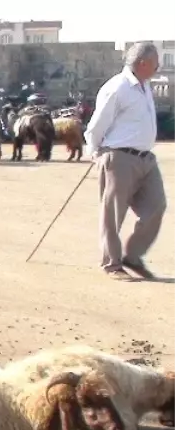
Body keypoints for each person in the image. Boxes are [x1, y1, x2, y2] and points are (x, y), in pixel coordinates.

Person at [84, 41, 166, 281]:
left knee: (156, 206)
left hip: (146, 159)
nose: (158, 66)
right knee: (113, 213)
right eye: (155, 62)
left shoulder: (145, 86)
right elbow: (97, 125)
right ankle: (111, 263)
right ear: (142, 63)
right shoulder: (117, 88)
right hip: (119, 157)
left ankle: (133, 256)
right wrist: (95, 151)